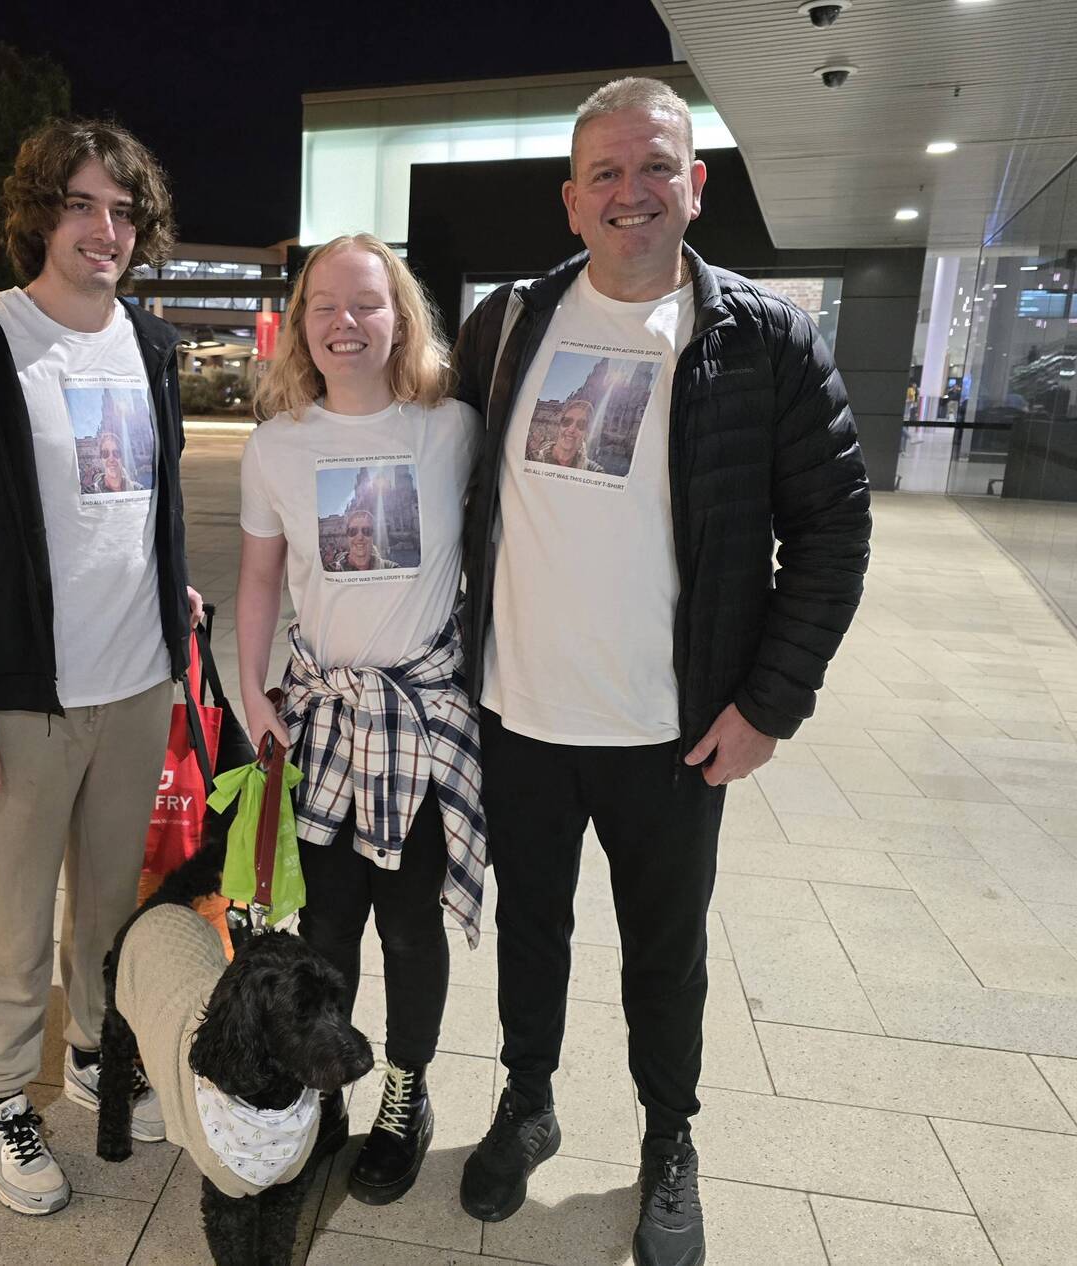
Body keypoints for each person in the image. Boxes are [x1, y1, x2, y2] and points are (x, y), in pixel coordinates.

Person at [453, 78, 870, 1266]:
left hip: (673, 733)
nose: (630, 192)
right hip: (519, 716)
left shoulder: (761, 338)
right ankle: (527, 1100)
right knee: (531, 932)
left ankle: (666, 1138)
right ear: (571, 200)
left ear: (696, 185)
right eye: (605, 174)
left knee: (665, 956)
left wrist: (768, 705)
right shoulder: (512, 325)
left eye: (654, 168)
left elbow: (834, 525)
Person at [0, 117, 202, 1218]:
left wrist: (173, 603)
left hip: (136, 683)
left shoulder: (153, 348)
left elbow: (139, 506)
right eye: (81, 206)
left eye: (123, 212)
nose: (104, 230)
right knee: (14, 909)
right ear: (40, 214)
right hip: (27, 692)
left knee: (111, 904)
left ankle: (93, 1052)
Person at [236, 233, 486, 1207]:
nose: (346, 323)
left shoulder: (453, 427)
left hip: (424, 724)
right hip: (324, 722)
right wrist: (253, 696)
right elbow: (259, 581)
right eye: (326, 306)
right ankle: (329, 1083)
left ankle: (407, 1095)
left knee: (411, 929)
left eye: (367, 304)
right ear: (302, 323)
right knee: (329, 926)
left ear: (401, 317)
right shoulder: (277, 445)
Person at [535, 398, 603, 471]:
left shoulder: (594, 470)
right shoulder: (533, 458)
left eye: (581, 424)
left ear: (586, 433)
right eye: (567, 421)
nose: (571, 429)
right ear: (559, 426)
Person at [332, 508, 400, 571]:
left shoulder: (391, 568)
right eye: (353, 531)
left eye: (367, 531)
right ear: (347, 535)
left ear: (373, 535)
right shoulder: (332, 570)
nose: (360, 537)